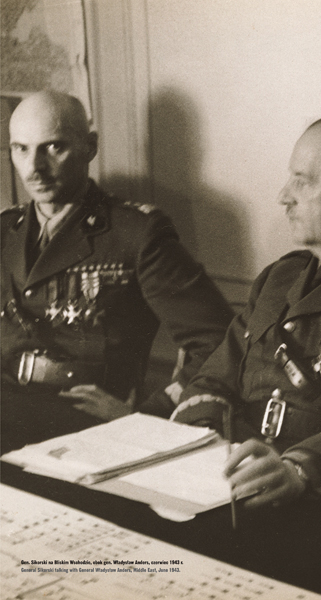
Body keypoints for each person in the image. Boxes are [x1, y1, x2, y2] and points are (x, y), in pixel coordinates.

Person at [170, 114, 321, 596]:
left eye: (302, 180)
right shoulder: (281, 278)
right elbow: (212, 380)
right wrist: (200, 450)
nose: (283, 195)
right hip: (237, 493)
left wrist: (299, 470)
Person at [1, 90, 233, 454]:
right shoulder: (5, 229)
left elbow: (220, 339)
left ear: (90, 147)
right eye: (21, 149)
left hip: (83, 425)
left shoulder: (135, 233)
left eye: (53, 147)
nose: (35, 167)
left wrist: (146, 416)